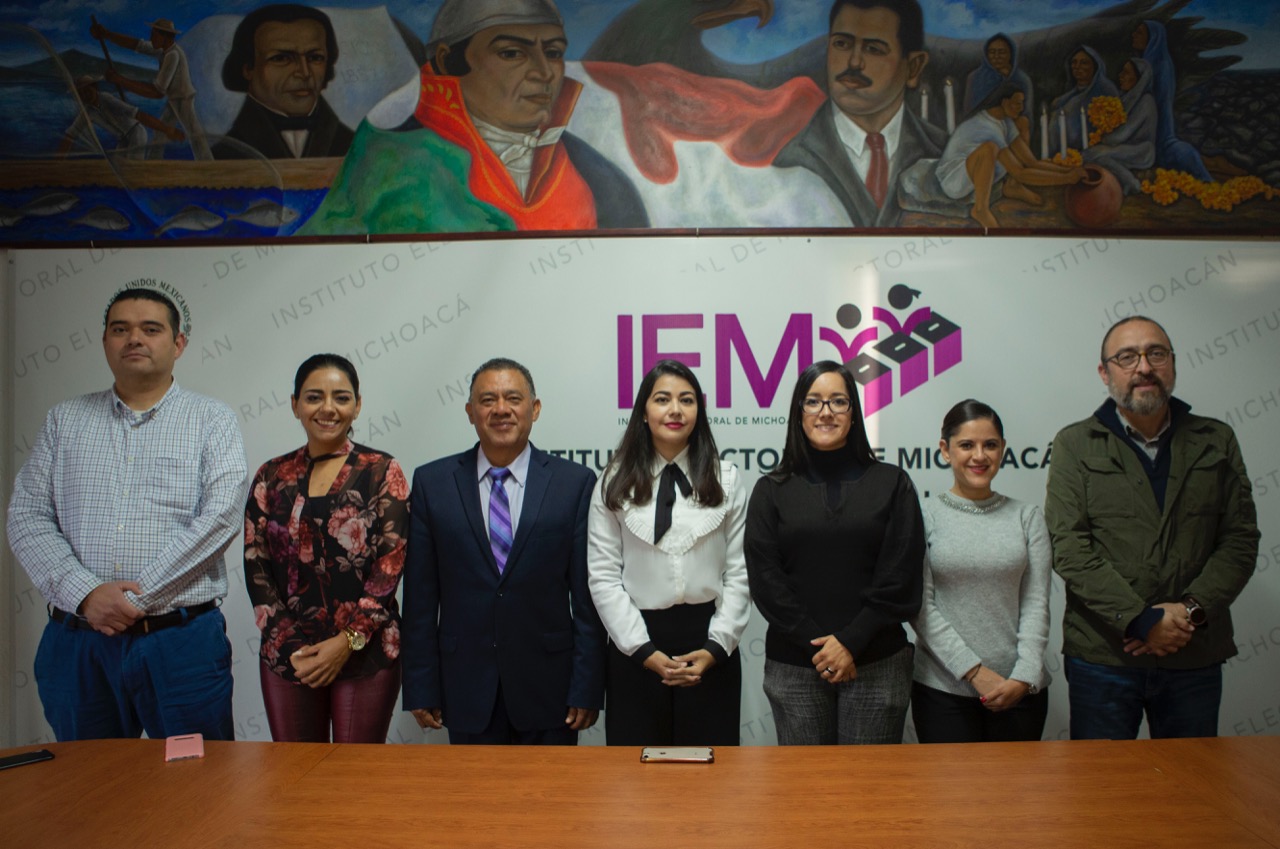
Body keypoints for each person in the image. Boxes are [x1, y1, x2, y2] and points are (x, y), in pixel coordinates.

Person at [7, 286, 246, 741]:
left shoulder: (211, 420)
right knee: (89, 780)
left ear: (178, 343)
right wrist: (85, 595)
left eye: (150, 329)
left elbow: (220, 519)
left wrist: (135, 600)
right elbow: (27, 516)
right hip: (78, 641)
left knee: (197, 779)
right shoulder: (65, 421)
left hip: (179, 642)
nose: (134, 338)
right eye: (120, 329)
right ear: (105, 342)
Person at [1045, 316, 1259, 740]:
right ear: (1105, 372)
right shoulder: (1075, 443)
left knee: (1191, 777)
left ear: (1172, 363)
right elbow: (1069, 546)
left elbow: (1239, 541)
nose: (1144, 367)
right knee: (1103, 779)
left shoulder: (1216, 439)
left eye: (1156, 354)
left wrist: (1189, 613)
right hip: (1105, 656)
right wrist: (1141, 621)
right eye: (1127, 357)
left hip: (1192, 650)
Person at [301, 0, 647, 235]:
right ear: (446, 61)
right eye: (511, 53)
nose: (544, 72)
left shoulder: (598, 178)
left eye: (553, 53)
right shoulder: (390, 164)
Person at [401, 357, 606, 744]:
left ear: (535, 408)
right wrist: (420, 685)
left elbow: (587, 598)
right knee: (475, 786)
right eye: (487, 400)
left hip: (550, 687)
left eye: (513, 398)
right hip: (465, 685)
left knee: (550, 786)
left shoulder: (574, 483)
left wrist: (587, 686)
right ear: (470, 412)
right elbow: (420, 600)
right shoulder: (433, 483)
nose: (501, 409)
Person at [745, 360, 924, 745]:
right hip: (795, 666)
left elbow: (901, 574)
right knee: (807, 783)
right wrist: (823, 647)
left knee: (868, 783)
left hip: (877, 663)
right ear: (799, 413)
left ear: (854, 412)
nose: (825, 412)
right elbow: (766, 581)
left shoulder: (893, 483)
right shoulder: (771, 489)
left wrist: (850, 642)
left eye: (838, 401)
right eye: (813, 401)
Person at [244, 354, 408, 743]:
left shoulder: (381, 471)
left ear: (358, 405)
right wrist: (290, 644)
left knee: (354, 774)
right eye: (314, 397)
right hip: (290, 655)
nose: (328, 408)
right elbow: (256, 562)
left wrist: (347, 640)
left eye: (341, 397)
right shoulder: (271, 475)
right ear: (295, 404)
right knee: (297, 772)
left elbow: (389, 566)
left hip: (365, 652)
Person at [587, 360, 749, 746]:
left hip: (710, 647)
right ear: (644, 412)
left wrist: (716, 647)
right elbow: (603, 575)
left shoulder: (727, 478)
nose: (675, 410)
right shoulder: (612, 480)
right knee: (635, 774)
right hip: (635, 649)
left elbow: (740, 573)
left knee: (712, 771)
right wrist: (642, 649)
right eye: (662, 399)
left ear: (699, 412)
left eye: (686, 400)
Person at [910, 400, 1052, 744]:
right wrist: (972, 671)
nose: (979, 456)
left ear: (1002, 449)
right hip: (943, 691)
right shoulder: (923, 515)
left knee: (1017, 782)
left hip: (1019, 691)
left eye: (990, 445)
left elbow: (1036, 603)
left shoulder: (1027, 517)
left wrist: (1024, 676)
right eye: (966, 445)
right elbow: (920, 606)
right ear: (945, 450)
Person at [773, 0, 947, 228]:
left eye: (873, 49)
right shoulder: (790, 161)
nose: (854, 62)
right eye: (842, 44)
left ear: (913, 67)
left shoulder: (946, 152)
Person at [213, 4, 355, 160]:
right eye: (281, 58)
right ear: (248, 69)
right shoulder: (219, 155)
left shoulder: (356, 147)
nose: (305, 73)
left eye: (315, 58)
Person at [935, 85, 1086, 229]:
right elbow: (1020, 173)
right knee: (990, 148)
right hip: (954, 181)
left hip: (975, 171)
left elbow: (1031, 162)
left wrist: (1068, 170)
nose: (1022, 108)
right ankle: (980, 209)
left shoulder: (1004, 121)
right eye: (1018, 103)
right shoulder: (987, 128)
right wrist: (1066, 178)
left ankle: (1012, 185)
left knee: (1020, 125)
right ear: (1004, 102)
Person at [90, 17, 212, 160]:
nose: (151, 38)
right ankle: (155, 161)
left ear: (165, 37)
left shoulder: (172, 55)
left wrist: (120, 80)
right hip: (175, 97)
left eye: (154, 35)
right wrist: (107, 34)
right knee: (163, 132)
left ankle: (207, 162)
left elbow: (156, 92)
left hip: (182, 98)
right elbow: (137, 45)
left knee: (193, 132)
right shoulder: (163, 50)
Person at [1134, 20, 1213, 182]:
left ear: (1153, 38)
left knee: (1175, 152)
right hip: (1146, 123)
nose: (1134, 35)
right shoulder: (1147, 62)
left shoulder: (1160, 65)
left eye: (1140, 32)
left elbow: (1159, 101)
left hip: (1158, 127)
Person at [59, 75, 184, 159]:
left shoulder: (107, 99)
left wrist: (167, 129)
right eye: (81, 94)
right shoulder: (88, 111)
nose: (85, 96)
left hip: (136, 133)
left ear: (95, 87)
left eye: (87, 91)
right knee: (118, 166)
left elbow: (139, 115)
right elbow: (71, 135)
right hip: (123, 139)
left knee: (133, 168)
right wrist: (58, 161)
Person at [1083, 58, 1157, 195]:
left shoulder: (1146, 101)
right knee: (1095, 156)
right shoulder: (1126, 99)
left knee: (1093, 154)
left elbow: (1121, 135)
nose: (1120, 76)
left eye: (1126, 73)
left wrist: (1103, 137)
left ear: (1139, 79)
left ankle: (1132, 184)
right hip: (1122, 147)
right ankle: (1128, 182)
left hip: (1141, 150)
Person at [1048, 45, 1119, 152]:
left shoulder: (1106, 90)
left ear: (1095, 66)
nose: (1077, 67)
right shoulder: (1065, 98)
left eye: (1084, 63)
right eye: (1074, 62)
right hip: (1063, 153)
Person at [962, 33, 1033, 121]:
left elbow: (1026, 114)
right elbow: (969, 113)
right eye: (992, 52)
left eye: (1002, 52)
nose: (996, 56)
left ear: (1011, 54)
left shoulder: (1022, 80)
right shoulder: (975, 78)